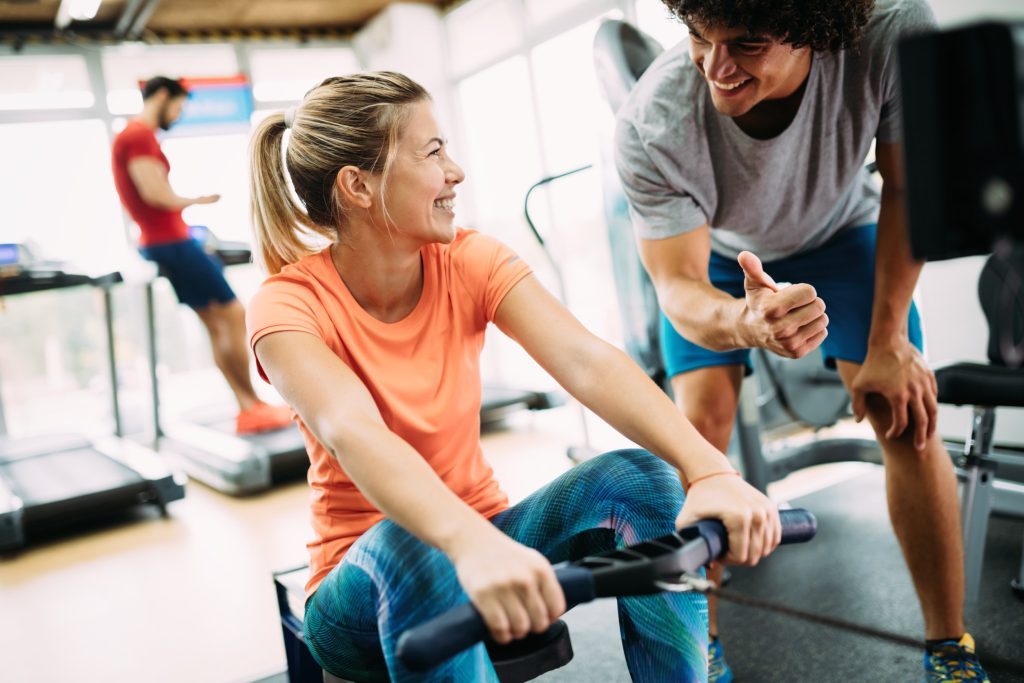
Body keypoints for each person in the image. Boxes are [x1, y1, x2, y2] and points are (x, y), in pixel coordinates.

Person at [246, 71, 783, 682]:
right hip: (359, 588)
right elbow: (352, 429)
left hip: (485, 535)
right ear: (359, 186)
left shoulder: (469, 259)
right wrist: (463, 544)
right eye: (432, 152)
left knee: (642, 479)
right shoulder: (286, 305)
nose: (456, 170)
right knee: (416, 548)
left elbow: (587, 360)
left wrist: (710, 470)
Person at [614, 1, 988, 681]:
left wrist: (888, 342)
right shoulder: (654, 119)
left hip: (845, 233)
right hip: (719, 256)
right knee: (696, 433)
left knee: (904, 412)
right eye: (701, 38)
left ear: (814, 32)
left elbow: (908, 191)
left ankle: (948, 645)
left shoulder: (893, 32)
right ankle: (701, 645)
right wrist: (743, 322)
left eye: (748, 45)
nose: (716, 68)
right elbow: (677, 288)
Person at [111, 75, 291, 435]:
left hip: (164, 241)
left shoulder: (133, 137)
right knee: (234, 314)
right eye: (178, 104)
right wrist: (198, 200)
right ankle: (250, 404)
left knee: (216, 322)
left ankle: (248, 405)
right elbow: (154, 193)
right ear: (162, 96)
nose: (178, 113)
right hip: (170, 241)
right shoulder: (137, 136)